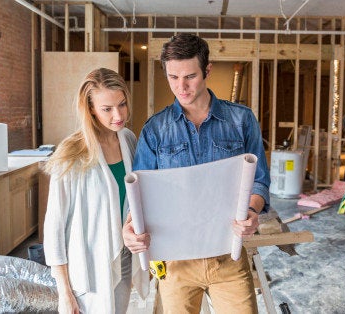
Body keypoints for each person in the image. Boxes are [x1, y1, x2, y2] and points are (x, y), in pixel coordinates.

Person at [122, 34, 270, 313]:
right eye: (173, 77)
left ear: (207, 70)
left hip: (229, 256)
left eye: (190, 76)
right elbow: (140, 194)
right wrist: (130, 227)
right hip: (176, 262)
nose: (181, 86)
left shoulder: (241, 120)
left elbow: (259, 180)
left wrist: (252, 211)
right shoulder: (155, 129)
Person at [43, 68, 148, 314]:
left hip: (122, 259)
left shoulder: (129, 140)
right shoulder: (72, 152)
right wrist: (64, 292)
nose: (118, 115)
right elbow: (54, 227)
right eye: (107, 109)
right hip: (87, 269)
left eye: (122, 105)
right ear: (90, 108)